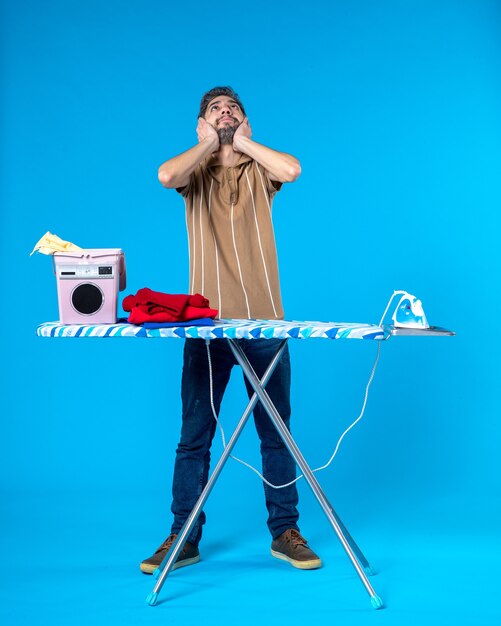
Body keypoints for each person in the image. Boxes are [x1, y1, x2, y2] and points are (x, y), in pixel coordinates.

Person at [140, 86, 321, 574]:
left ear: (248, 122)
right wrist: (208, 142)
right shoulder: (193, 172)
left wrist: (239, 141)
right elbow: (165, 174)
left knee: (275, 432)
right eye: (215, 110)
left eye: (234, 108)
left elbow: (292, 169)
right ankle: (184, 535)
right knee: (194, 435)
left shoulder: (259, 168)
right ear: (199, 125)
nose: (225, 113)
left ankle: (285, 532)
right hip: (206, 326)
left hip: (266, 321)